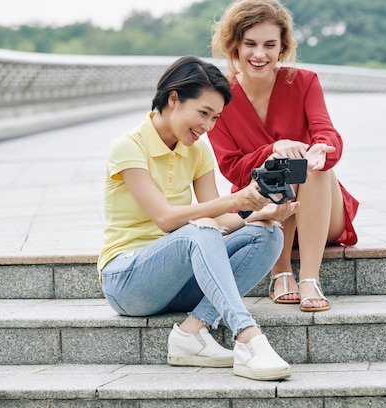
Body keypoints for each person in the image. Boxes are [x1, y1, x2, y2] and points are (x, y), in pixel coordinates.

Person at [97, 55, 298, 381]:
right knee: (198, 229)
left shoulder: (197, 150)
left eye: (216, 117)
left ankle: (192, 330)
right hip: (128, 280)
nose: (208, 126)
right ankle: (247, 336)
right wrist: (236, 198)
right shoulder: (128, 146)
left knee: (267, 234)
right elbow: (165, 219)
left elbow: (216, 224)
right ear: (173, 98)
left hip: (178, 279)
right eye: (203, 113)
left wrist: (258, 212)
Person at [208, 0, 359, 313]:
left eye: (269, 45)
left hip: (320, 211)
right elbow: (232, 169)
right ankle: (280, 273)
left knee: (311, 165)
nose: (259, 54)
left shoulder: (304, 82)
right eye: (250, 44)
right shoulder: (218, 95)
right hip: (260, 209)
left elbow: (327, 134)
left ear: (283, 47)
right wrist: (271, 150)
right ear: (234, 45)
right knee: (280, 167)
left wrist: (320, 150)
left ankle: (309, 279)